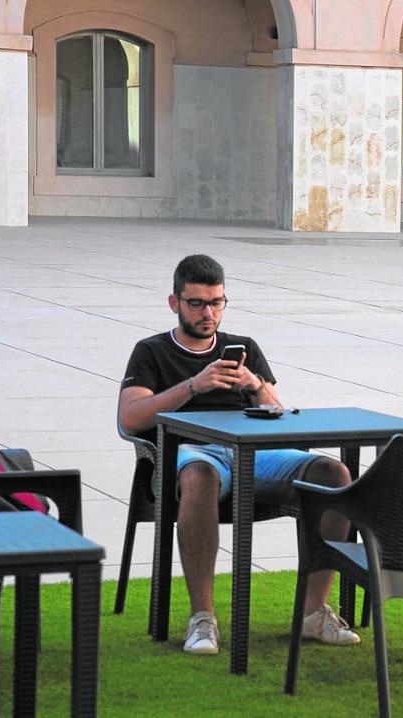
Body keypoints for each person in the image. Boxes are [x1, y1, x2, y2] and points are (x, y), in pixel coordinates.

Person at [118, 255, 358, 655]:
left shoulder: (243, 348)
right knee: (199, 477)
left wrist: (254, 383)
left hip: (255, 454)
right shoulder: (152, 352)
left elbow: (276, 409)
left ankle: (314, 613)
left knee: (334, 474)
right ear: (174, 303)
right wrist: (193, 386)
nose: (207, 312)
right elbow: (130, 417)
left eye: (216, 302)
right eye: (196, 303)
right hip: (192, 454)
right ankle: (203, 619)